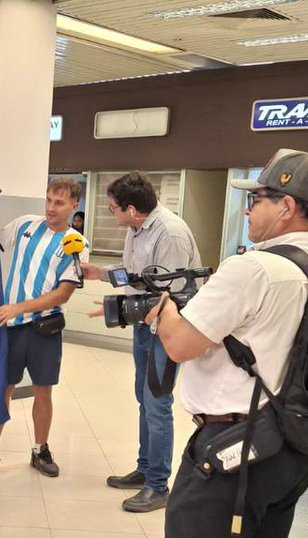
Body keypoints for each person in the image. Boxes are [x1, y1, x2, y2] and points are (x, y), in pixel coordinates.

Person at [144, 148, 308, 538]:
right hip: (289, 447)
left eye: (259, 199)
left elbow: (181, 344)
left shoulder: (253, 268)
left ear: (288, 206)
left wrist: (164, 312)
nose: (250, 210)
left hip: (233, 452)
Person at [81, 171, 202, 513]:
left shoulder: (171, 233)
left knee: (157, 402)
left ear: (131, 209)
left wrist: (125, 310)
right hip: (143, 325)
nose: (111, 213)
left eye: (113, 209)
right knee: (143, 397)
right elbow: (138, 276)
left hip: (166, 328)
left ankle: (158, 485)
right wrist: (101, 274)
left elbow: (173, 291)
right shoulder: (137, 230)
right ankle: (146, 468)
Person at [0, 178, 88, 480]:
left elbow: (63, 294)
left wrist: (19, 307)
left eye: (59, 203)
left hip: (44, 329)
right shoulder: (26, 225)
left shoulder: (76, 244)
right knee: (3, 389)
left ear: (74, 206)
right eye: (49, 200)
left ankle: (40, 449)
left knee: (43, 391)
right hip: (9, 327)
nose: (51, 208)